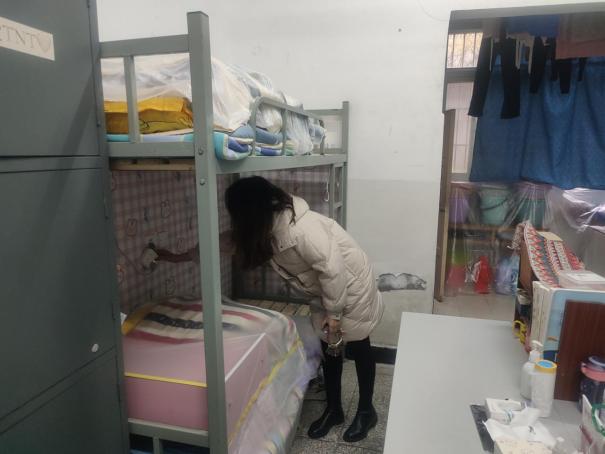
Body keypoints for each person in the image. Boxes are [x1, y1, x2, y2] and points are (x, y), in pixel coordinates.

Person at [225, 176, 384, 442]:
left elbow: (333, 270)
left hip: (351, 284)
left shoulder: (302, 229)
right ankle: (334, 409)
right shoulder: (266, 226)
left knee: (359, 343)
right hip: (327, 290)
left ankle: (367, 411)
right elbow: (230, 242)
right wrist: (182, 255)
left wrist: (334, 314)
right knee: (329, 345)